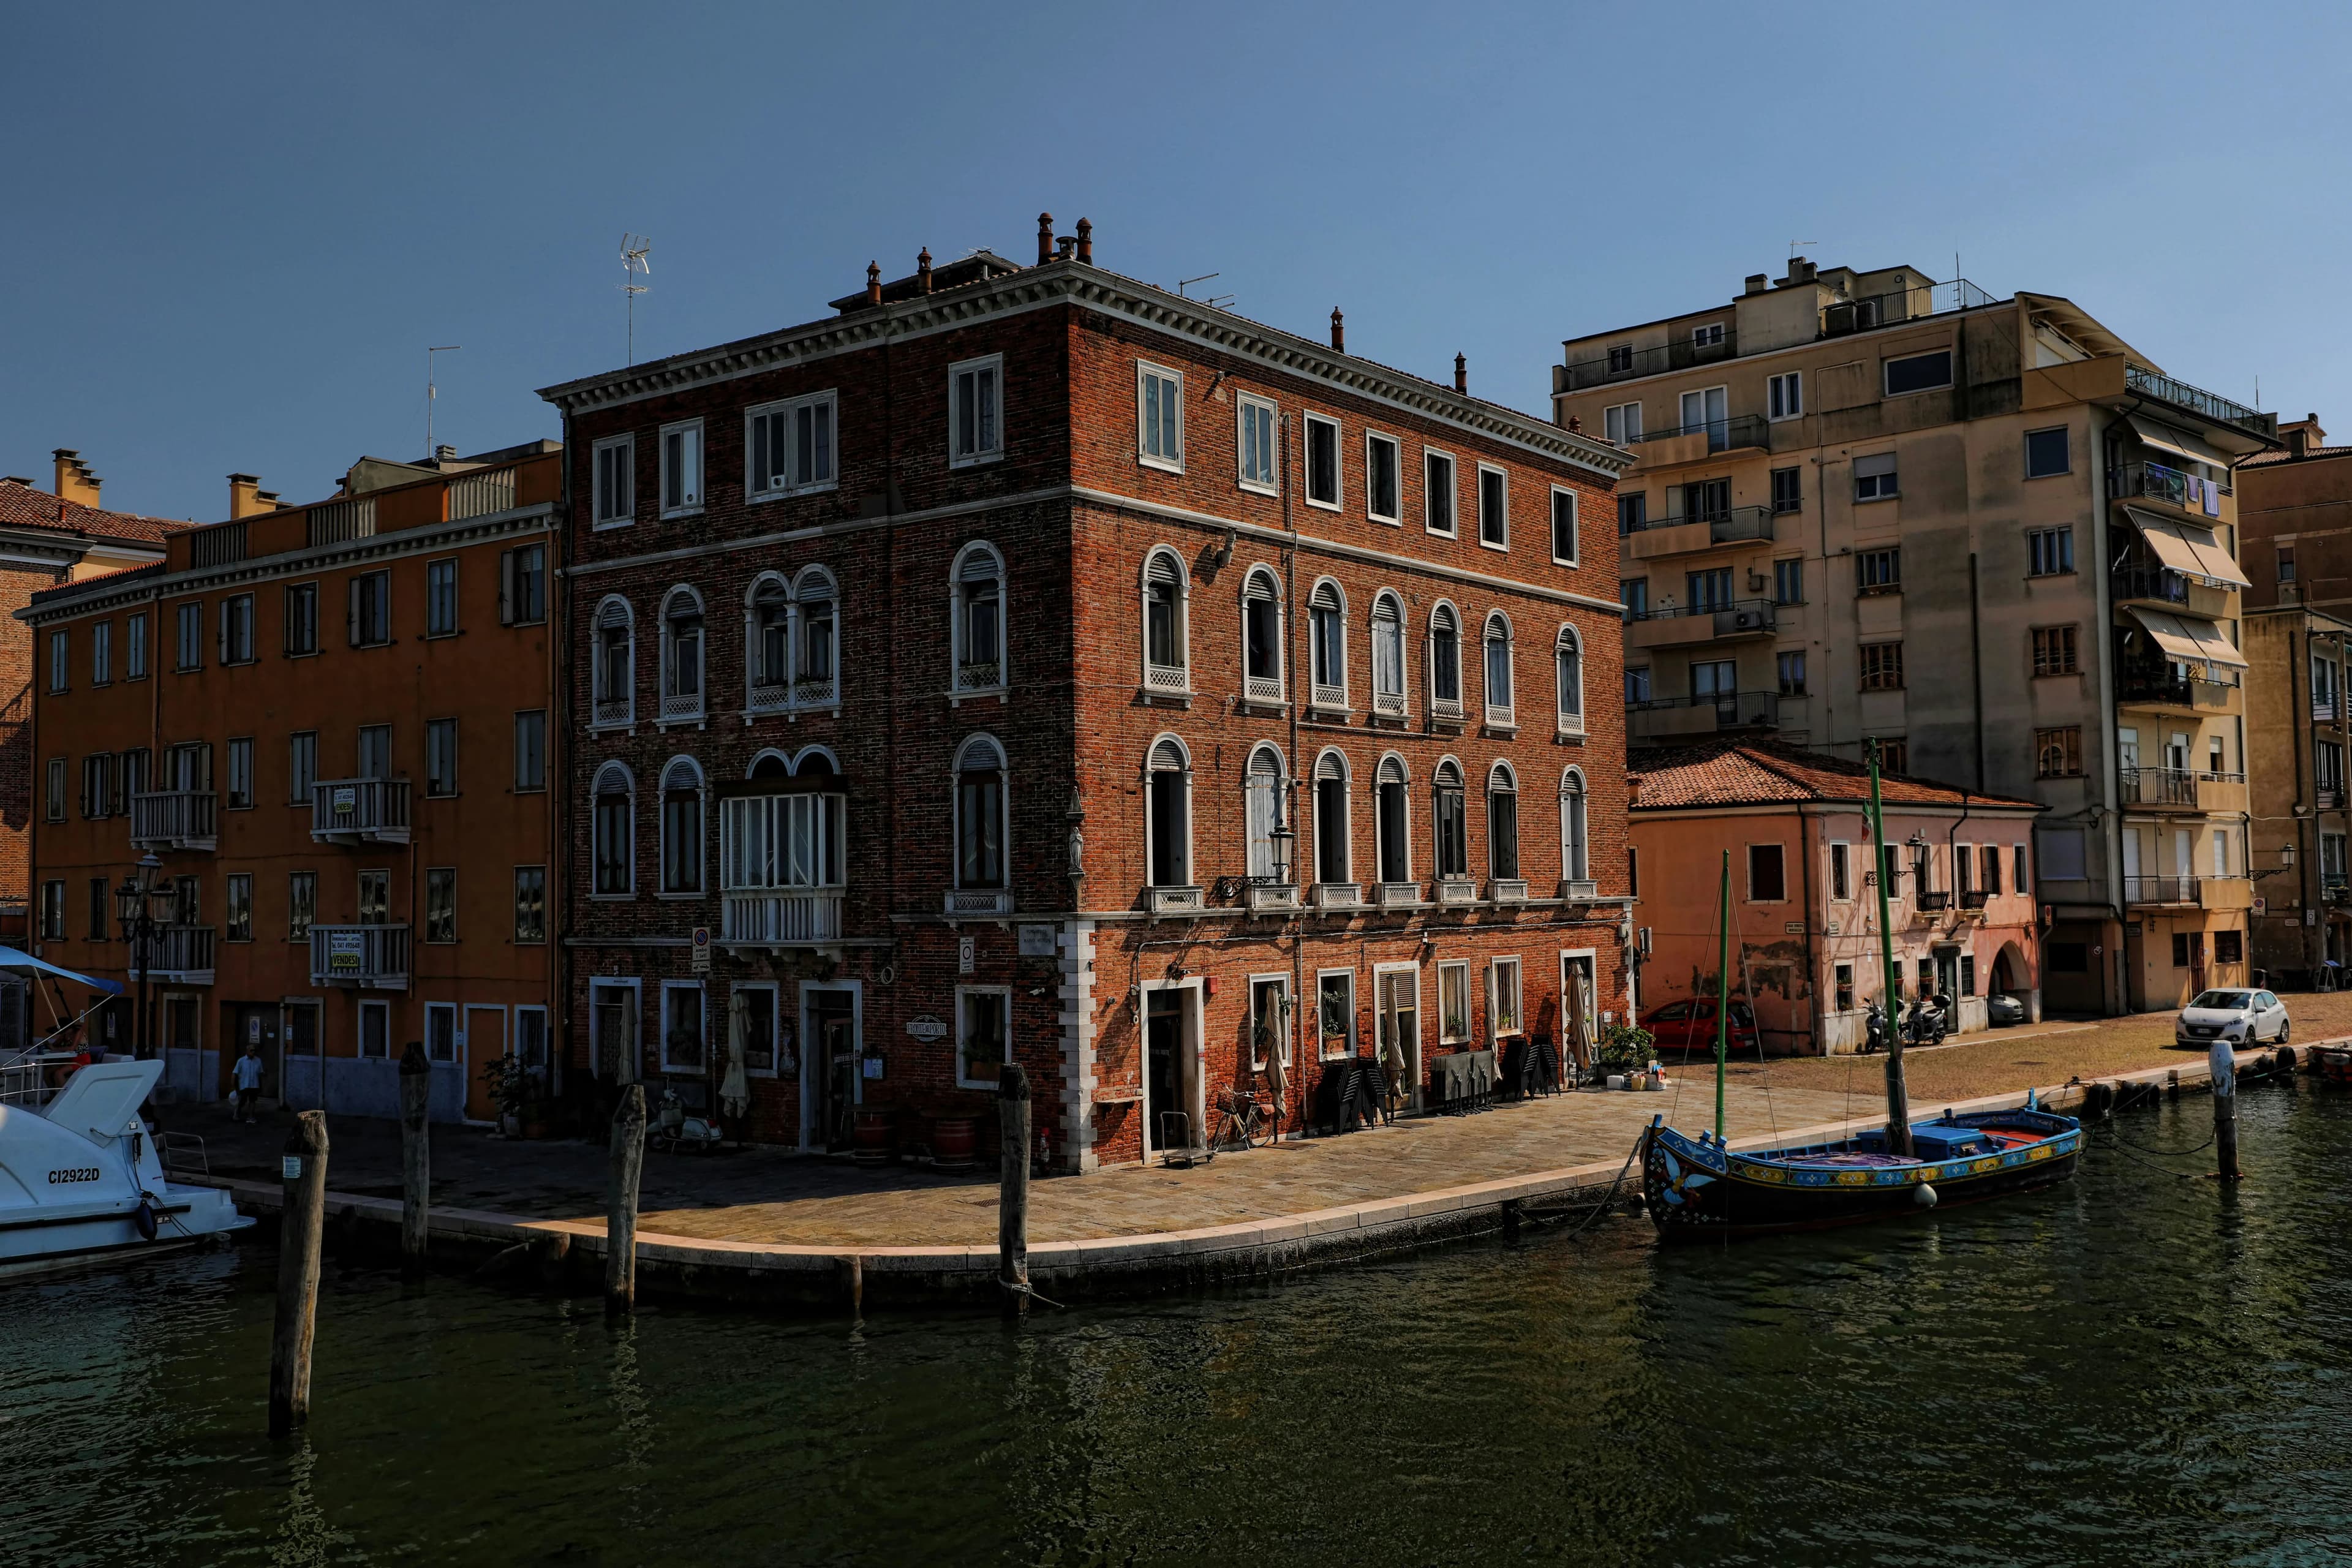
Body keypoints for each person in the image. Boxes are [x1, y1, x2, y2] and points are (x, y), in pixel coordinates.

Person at [233, 1041, 265, 1124]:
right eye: (251, 1050)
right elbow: (235, 1073)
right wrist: (234, 1086)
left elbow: (260, 1073)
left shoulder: (258, 1060)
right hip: (244, 1085)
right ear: (247, 1051)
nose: (253, 1052)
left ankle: (250, 1117)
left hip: (254, 1085)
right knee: (242, 1101)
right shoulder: (241, 1061)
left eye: (254, 1050)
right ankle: (237, 1113)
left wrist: (262, 1084)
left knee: (252, 1101)